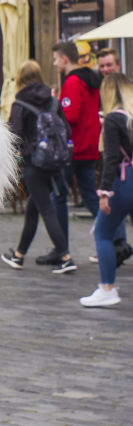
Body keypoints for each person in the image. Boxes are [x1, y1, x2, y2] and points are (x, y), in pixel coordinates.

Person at [1, 60, 76, 273]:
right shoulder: (53, 101)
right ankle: (19, 255)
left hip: (33, 164)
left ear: (21, 78)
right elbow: (67, 132)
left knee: (46, 210)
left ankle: (66, 257)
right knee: (33, 209)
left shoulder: (19, 103)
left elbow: (13, 135)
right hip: (54, 163)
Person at [79, 89, 133, 309]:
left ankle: (107, 289)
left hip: (123, 179)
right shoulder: (129, 117)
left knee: (102, 232)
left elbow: (111, 158)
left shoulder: (113, 119)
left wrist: (103, 192)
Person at [55, 43, 102, 222]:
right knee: (91, 196)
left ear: (65, 59)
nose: (54, 64)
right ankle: (117, 239)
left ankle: (61, 247)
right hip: (89, 146)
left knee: (58, 195)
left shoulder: (72, 83)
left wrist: (55, 108)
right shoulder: (91, 82)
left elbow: (70, 117)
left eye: (55, 59)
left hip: (73, 147)